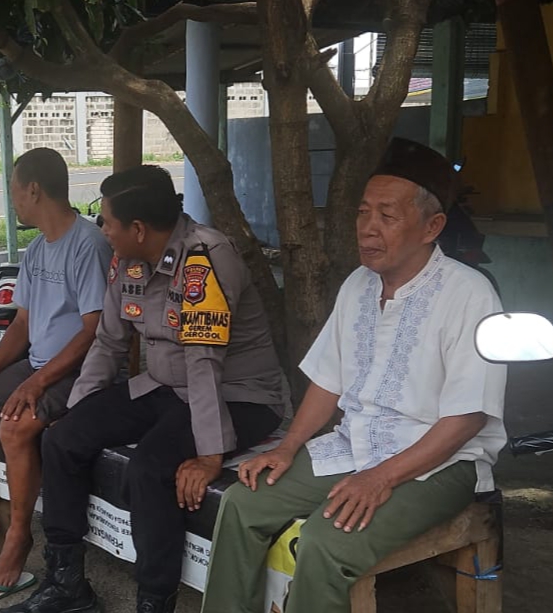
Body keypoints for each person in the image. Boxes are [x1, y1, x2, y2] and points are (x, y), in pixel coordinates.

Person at [200, 138, 508, 613]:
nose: (368, 228)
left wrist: (380, 478)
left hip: (443, 463)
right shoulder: (358, 284)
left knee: (328, 541)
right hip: (355, 444)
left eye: (387, 215)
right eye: (363, 213)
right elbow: (329, 379)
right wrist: (287, 446)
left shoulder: (470, 294)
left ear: (432, 227)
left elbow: (467, 419)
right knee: (243, 503)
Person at [3, 165, 288, 613]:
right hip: (164, 386)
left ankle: (154, 601)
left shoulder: (206, 259)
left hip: (237, 395)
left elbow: (204, 363)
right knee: (62, 438)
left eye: (108, 221)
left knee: (150, 467)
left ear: (137, 228)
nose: (102, 230)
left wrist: (210, 454)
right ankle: (67, 584)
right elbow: (108, 342)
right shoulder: (127, 259)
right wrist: (78, 410)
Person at [0, 147, 113, 594]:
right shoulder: (37, 248)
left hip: (79, 373)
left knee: (14, 426)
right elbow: (22, 323)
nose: (13, 199)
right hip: (38, 364)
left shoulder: (87, 244)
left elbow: (94, 331)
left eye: (14, 189)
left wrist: (37, 382)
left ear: (33, 190)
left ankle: (19, 535)